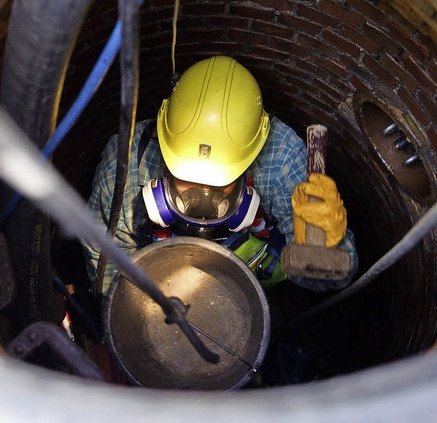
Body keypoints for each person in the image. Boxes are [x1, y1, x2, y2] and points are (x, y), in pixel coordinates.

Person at [81, 55, 357, 297]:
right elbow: (106, 267)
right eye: (185, 176)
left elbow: (335, 280)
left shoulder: (281, 159)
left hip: (251, 284)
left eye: (220, 182)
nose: (202, 198)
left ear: (251, 155)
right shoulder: (126, 164)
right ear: (163, 145)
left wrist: (325, 251)